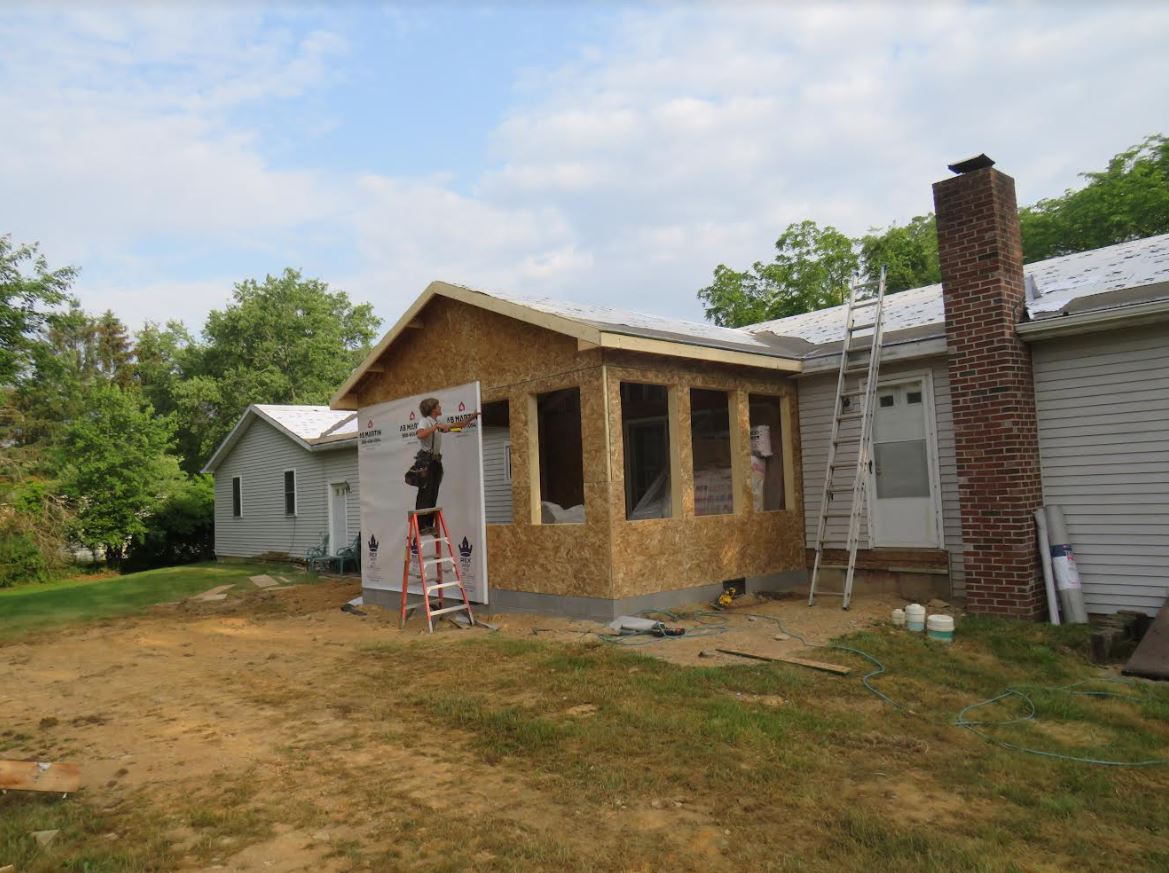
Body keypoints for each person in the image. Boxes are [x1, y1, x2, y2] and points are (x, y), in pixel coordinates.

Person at [413, 397, 479, 534]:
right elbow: (420, 435)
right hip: (426, 461)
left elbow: (456, 427)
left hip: (435, 462)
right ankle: (421, 526)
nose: (440, 408)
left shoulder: (436, 422)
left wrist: (471, 418)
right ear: (432, 409)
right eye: (438, 406)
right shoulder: (425, 421)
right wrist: (435, 427)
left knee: (433, 494)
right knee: (425, 493)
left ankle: (428, 525)